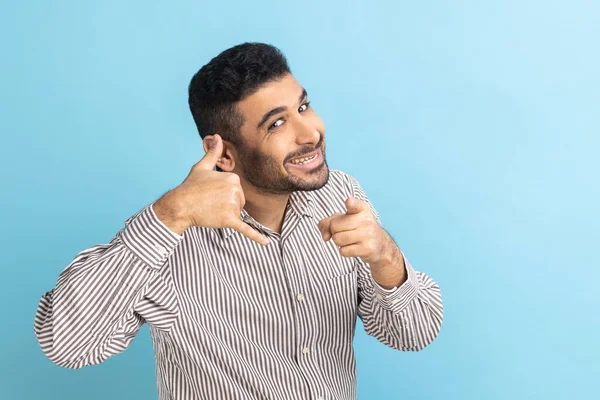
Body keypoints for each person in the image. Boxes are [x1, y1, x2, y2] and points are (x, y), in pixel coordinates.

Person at [34, 42, 443, 400]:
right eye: (278, 123)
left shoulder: (340, 194)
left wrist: (385, 257)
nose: (310, 133)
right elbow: (67, 345)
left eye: (303, 106)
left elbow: (413, 333)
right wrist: (170, 214)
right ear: (224, 154)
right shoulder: (170, 242)